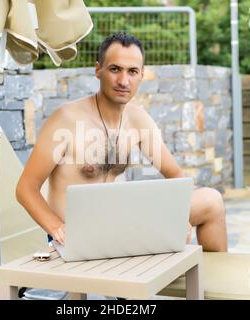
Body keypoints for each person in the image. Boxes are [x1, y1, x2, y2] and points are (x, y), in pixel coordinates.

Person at [16, 32, 228, 252]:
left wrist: (179, 212)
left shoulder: (138, 120)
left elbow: (175, 174)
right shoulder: (67, 120)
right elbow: (26, 188)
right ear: (98, 70)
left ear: (141, 75)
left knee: (211, 201)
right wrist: (57, 228)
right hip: (76, 234)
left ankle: (211, 286)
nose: (123, 81)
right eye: (115, 69)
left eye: (132, 72)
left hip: (119, 225)